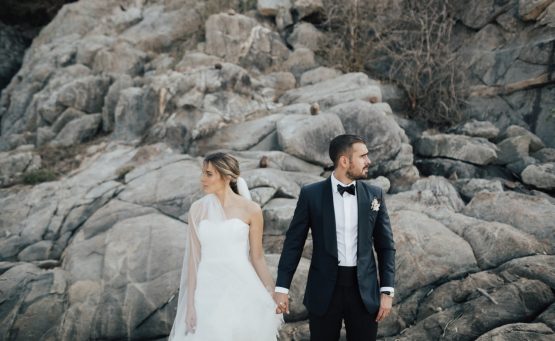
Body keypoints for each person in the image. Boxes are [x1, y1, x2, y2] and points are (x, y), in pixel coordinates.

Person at [274, 134, 396, 341]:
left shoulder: (375, 194)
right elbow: (294, 243)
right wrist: (282, 288)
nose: (369, 161)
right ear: (344, 161)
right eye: (363, 156)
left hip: (364, 293)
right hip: (323, 291)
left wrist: (387, 290)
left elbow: (385, 247)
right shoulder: (311, 195)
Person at [169, 152, 282, 341]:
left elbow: (257, 257)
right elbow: (193, 259)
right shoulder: (197, 210)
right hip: (207, 290)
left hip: (241, 287)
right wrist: (190, 305)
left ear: (227, 176)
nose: (202, 179)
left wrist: (273, 293)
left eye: (209, 174)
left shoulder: (251, 210)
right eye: (203, 173)